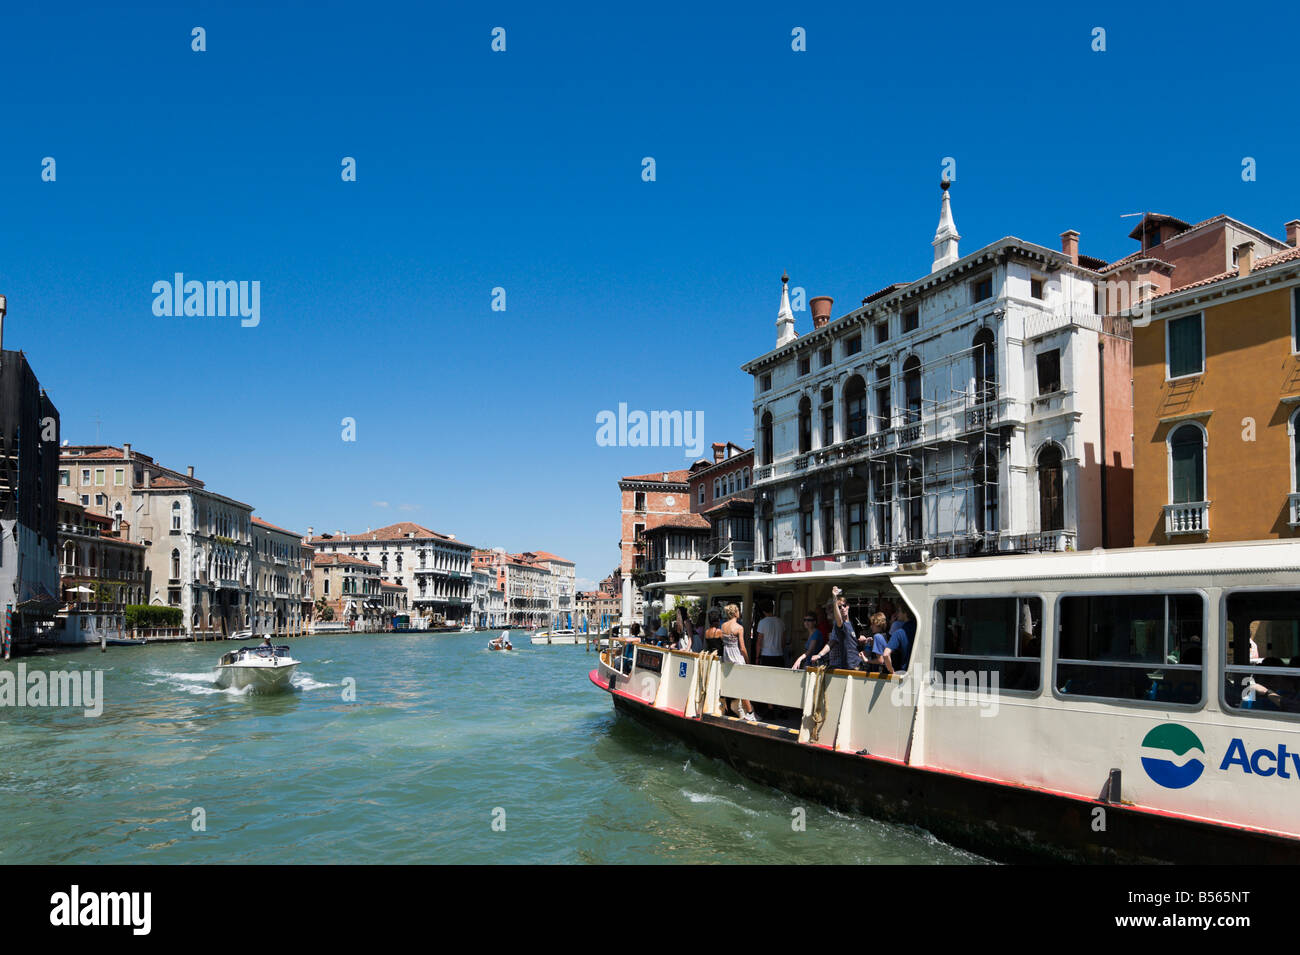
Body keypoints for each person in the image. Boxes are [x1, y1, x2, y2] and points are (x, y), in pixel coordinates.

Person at [804, 587, 860, 670]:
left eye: (844, 606)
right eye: (839, 607)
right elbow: (832, 641)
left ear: (848, 606)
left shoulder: (851, 623)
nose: (843, 608)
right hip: (847, 666)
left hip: (857, 663)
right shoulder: (839, 624)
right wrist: (834, 598)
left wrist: (861, 641)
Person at [720, 603, 757, 722]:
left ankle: (728, 708)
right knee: (744, 687)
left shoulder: (723, 626)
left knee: (731, 684)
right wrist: (747, 661)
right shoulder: (739, 627)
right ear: (736, 613)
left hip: (727, 659)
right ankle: (750, 713)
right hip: (737, 659)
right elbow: (742, 648)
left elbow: (724, 642)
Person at [755, 601, 788, 668]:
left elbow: (759, 643)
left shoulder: (762, 622)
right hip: (779, 656)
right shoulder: (781, 622)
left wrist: (757, 657)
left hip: (766, 656)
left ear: (763, 611)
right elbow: (784, 641)